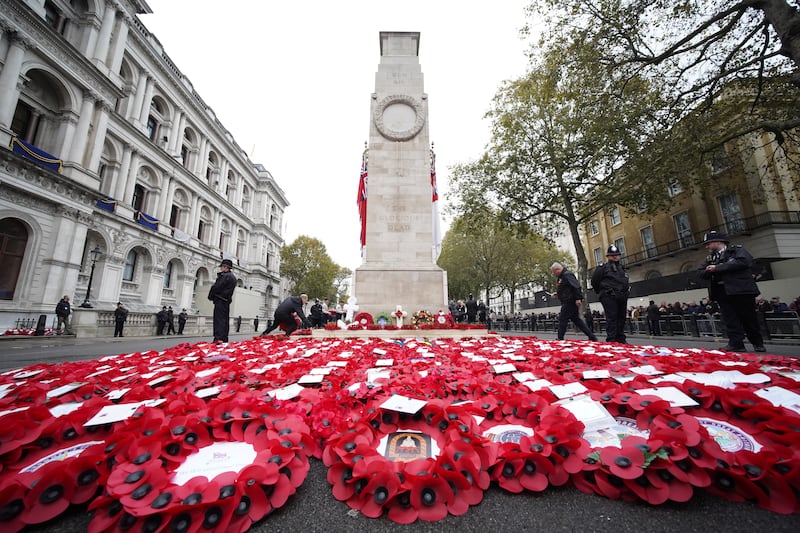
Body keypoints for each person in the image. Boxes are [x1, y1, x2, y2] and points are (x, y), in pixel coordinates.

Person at [698, 231, 765, 353]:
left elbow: (743, 262)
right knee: (730, 319)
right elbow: (700, 272)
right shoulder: (711, 258)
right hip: (722, 291)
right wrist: (709, 270)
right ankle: (736, 343)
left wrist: (717, 268)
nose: (706, 246)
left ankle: (757, 342)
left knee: (748, 317)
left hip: (741, 290)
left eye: (708, 243)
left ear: (718, 241)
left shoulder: (737, 251)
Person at [591, 245, 630, 344]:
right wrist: (602, 293)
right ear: (608, 256)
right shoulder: (602, 268)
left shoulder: (622, 268)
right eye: (612, 255)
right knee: (612, 317)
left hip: (622, 295)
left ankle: (621, 338)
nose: (615, 257)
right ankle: (612, 339)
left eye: (617, 255)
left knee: (621, 317)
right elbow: (595, 282)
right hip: (609, 296)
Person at [550, 262, 597, 341]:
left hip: (570, 301)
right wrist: (558, 293)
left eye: (554, 272)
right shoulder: (562, 277)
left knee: (562, 318)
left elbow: (576, 286)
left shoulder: (567, 275)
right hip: (568, 300)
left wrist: (578, 298)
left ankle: (560, 337)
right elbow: (565, 289)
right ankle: (591, 336)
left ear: (557, 270)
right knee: (576, 320)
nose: (554, 274)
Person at [208, 258, 237, 343]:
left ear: (225, 267)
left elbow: (217, 287)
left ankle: (218, 338)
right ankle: (224, 338)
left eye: (222, 267)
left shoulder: (224, 276)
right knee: (224, 320)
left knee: (218, 320)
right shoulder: (233, 277)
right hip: (226, 301)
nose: (221, 269)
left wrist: (211, 296)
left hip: (220, 299)